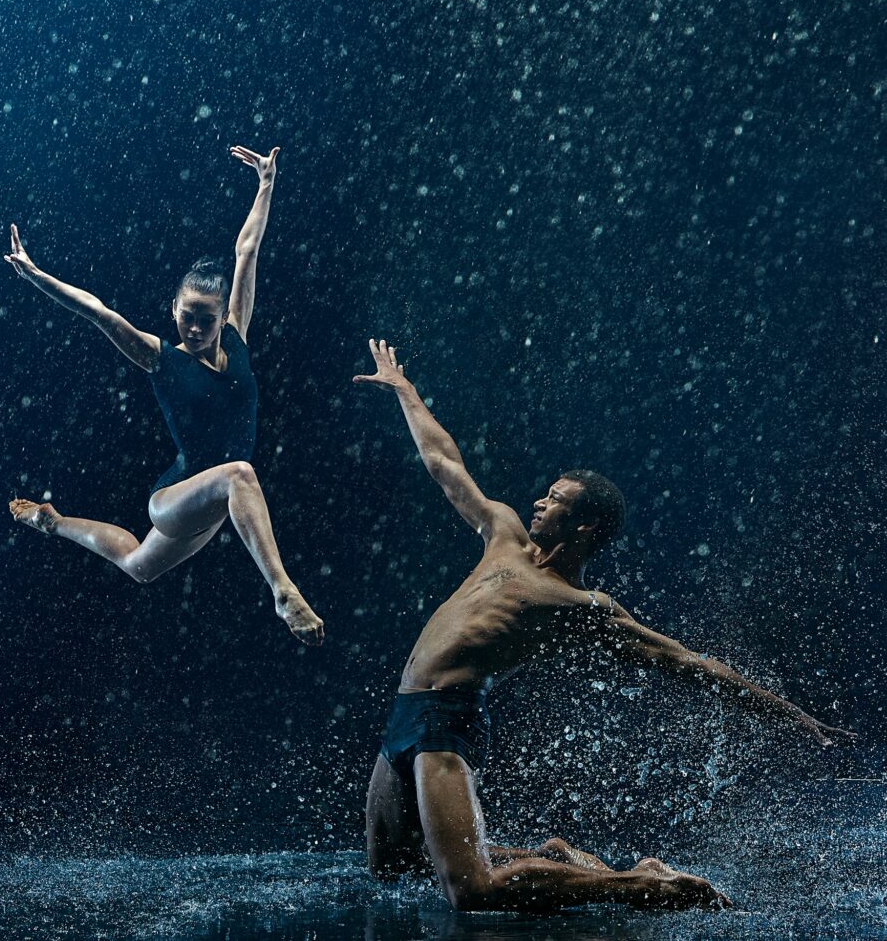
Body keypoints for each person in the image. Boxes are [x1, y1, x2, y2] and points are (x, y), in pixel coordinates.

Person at [354, 338, 855, 913]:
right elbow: (444, 463)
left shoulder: (582, 604)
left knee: (471, 889)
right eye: (545, 493)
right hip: (404, 710)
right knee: (395, 868)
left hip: (446, 717)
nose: (539, 504)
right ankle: (562, 857)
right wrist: (404, 390)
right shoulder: (504, 535)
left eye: (556, 500)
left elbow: (691, 664)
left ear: (585, 528)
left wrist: (797, 719)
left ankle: (649, 886)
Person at [3, 146, 324, 646]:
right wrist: (39, 277)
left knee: (137, 565)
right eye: (186, 314)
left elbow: (247, 251)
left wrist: (266, 184)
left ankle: (53, 521)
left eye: (206, 318)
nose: (194, 327)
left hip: (217, 504)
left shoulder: (237, 336)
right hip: (177, 497)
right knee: (242, 474)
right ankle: (283, 591)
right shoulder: (160, 357)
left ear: (223, 317)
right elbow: (99, 312)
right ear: (173, 306)